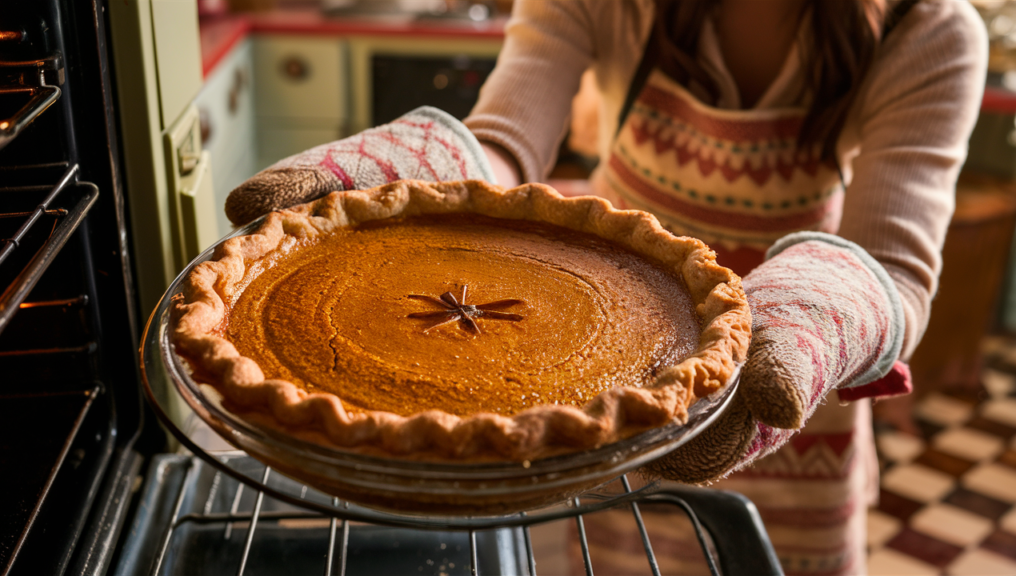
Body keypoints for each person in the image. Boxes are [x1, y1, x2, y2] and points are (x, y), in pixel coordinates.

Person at [224, 1, 986, 573]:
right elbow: (507, 143)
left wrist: (807, 320)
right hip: (607, 390)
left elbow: (892, 268)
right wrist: (423, 165)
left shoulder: (929, 31)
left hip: (792, 401)